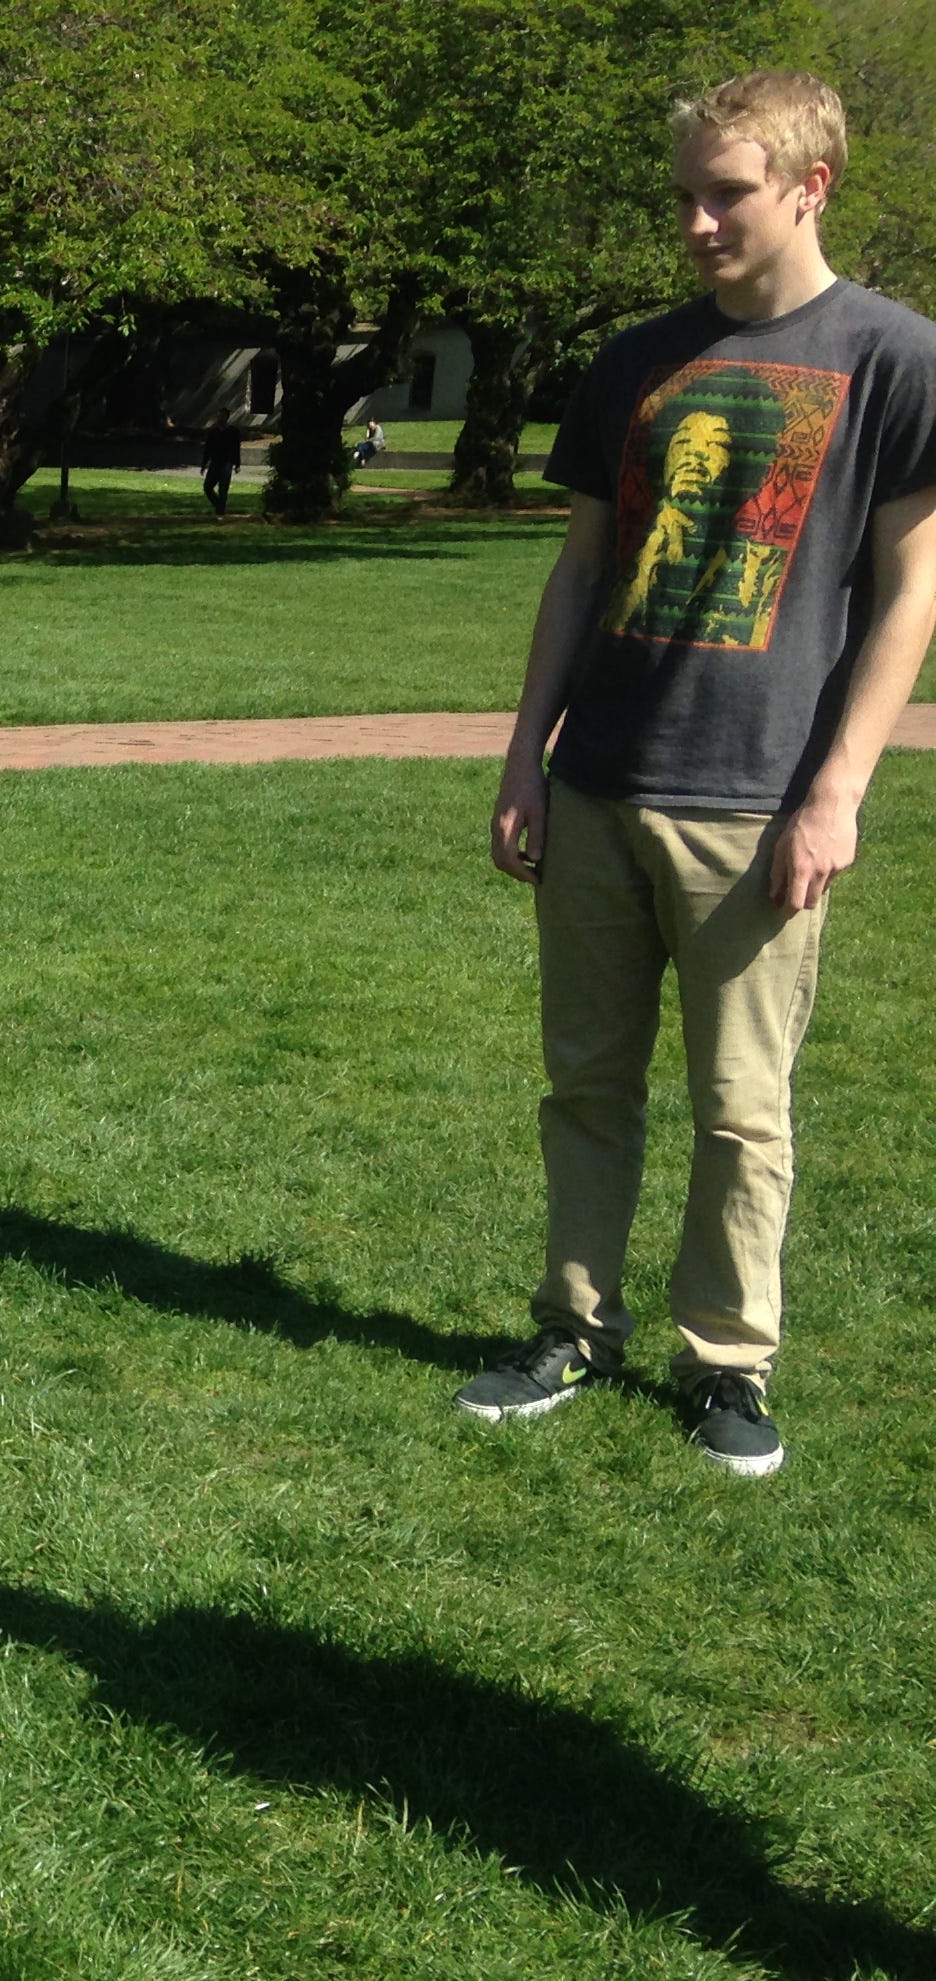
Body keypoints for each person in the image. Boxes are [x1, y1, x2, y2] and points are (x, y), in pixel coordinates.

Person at [459, 71, 936, 1477]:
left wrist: (838, 787)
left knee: (743, 1108)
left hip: (759, 799)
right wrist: (525, 758)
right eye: (685, 194)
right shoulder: (637, 361)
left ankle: (728, 1363)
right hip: (601, 781)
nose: (698, 221)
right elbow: (579, 571)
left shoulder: (891, 356)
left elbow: (914, 588)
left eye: (725, 191)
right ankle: (572, 1325)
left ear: (811, 183)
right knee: (585, 1085)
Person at [200, 421, 241, 515]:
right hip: (215, 463)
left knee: (223, 489)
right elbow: (208, 449)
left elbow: (236, 448)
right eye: (219, 417)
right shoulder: (213, 432)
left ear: (226, 417)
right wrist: (204, 465)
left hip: (227, 463)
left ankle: (220, 511)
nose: (220, 419)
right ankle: (219, 505)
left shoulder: (233, 431)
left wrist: (237, 464)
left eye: (222, 416)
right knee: (207, 487)